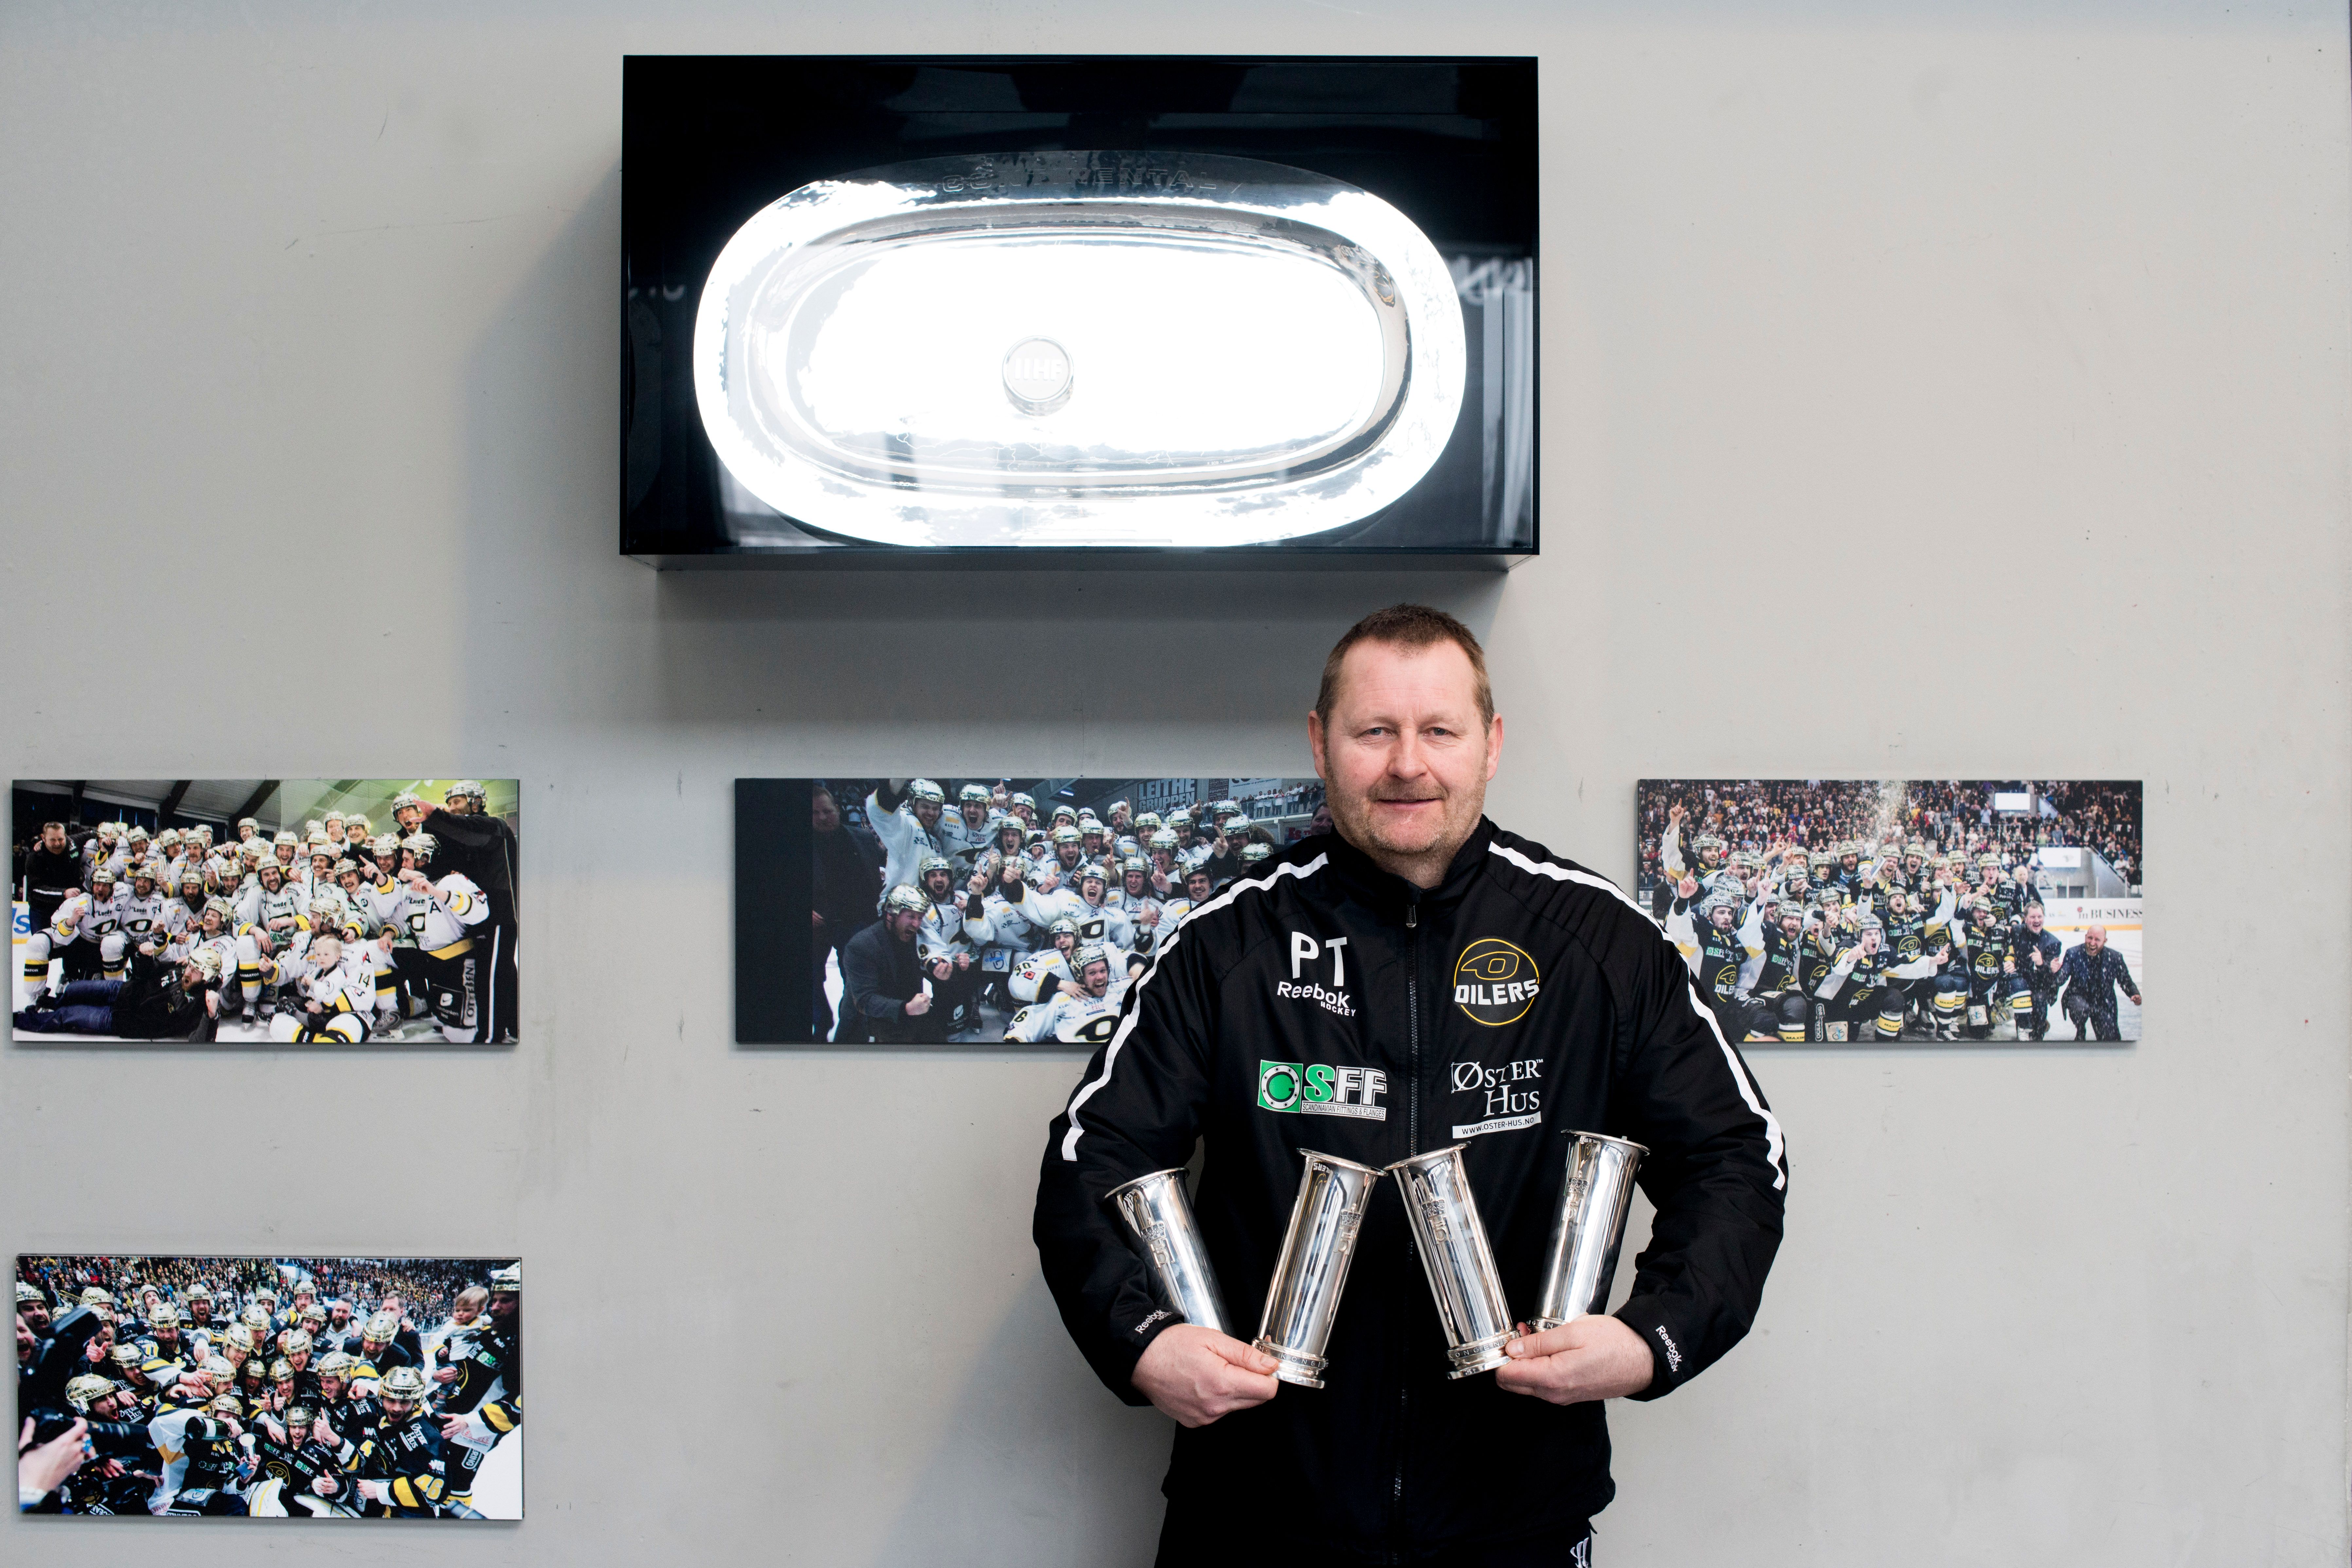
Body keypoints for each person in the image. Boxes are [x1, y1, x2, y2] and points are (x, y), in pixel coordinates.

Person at [1033, 604, 1786, 1565]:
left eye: (1438, 730)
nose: (1406, 764)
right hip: (1256, 1514)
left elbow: (1734, 1156)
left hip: (1513, 1517)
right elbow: (1088, 1162)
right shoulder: (1226, 945)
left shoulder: (1598, 944)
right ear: (1320, 743)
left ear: (1490, 744)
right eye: (1373, 732)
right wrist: (1140, 1339)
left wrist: (1653, 1335)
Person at [811, 785, 881, 1040]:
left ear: (838, 810)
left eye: (827, 811)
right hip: (817, 924)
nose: (822, 817)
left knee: (856, 983)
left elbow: (879, 873)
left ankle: (851, 1036)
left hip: (855, 922)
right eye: (815, 813)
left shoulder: (862, 838)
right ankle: (822, 1022)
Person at [835, 884, 948, 1043]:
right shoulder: (862, 946)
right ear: (890, 914)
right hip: (869, 1018)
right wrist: (906, 1009)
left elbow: (936, 962)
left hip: (911, 1012)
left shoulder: (919, 936)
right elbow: (865, 1000)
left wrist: (946, 971)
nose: (917, 924)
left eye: (920, 918)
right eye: (911, 916)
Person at [2055, 923, 2143, 1041]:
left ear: (2105, 941)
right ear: (2086, 937)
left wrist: (2134, 993)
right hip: (2077, 996)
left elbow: (2126, 981)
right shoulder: (2073, 953)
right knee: (2081, 1008)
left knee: (2111, 1040)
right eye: (2090, 938)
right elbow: (2060, 980)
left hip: (2103, 1001)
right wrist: (2055, 972)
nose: (2092, 943)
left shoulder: (2115, 957)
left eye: (2097, 940)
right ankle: (2081, 1028)